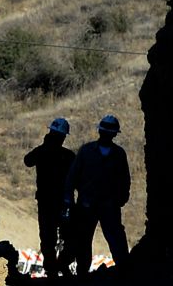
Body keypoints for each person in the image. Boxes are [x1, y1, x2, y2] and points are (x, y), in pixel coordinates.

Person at [63, 114, 131, 271]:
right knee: (84, 239)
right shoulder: (87, 151)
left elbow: (124, 179)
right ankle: (82, 271)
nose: (107, 134)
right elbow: (72, 177)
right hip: (88, 205)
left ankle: (124, 269)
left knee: (114, 238)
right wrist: (68, 199)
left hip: (108, 205)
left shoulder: (118, 154)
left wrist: (121, 198)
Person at [23, 117, 75, 276]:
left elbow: (27, 160)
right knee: (68, 235)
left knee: (48, 236)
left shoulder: (42, 152)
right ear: (64, 136)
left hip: (47, 203)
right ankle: (61, 266)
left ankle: (52, 268)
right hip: (64, 203)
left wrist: (44, 146)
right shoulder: (68, 156)